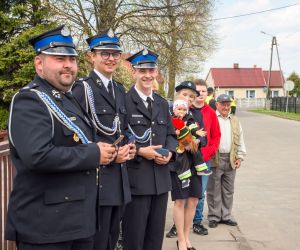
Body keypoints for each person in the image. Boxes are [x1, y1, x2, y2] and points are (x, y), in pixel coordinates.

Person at [5, 25, 117, 250]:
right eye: (59, 58)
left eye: (72, 59)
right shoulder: (30, 100)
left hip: (80, 222)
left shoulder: (68, 99)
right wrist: (94, 153)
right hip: (47, 228)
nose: (68, 65)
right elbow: (37, 155)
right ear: (39, 63)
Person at [72, 29, 136, 250]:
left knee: (111, 239)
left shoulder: (119, 89)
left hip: (118, 180)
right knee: (96, 242)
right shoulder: (82, 88)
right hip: (97, 181)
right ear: (92, 56)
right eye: (104, 53)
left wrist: (129, 147)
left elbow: (124, 128)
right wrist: (109, 154)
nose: (111, 58)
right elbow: (75, 133)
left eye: (115, 54)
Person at [122, 49, 177, 250]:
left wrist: (170, 153)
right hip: (136, 183)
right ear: (134, 72)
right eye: (142, 70)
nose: (147, 75)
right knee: (134, 239)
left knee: (155, 240)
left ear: (156, 72)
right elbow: (118, 137)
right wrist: (139, 151)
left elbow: (171, 135)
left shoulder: (162, 103)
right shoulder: (124, 101)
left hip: (161, 183)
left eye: (151, 70)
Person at [207, 94, 246, 228]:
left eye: (228, 104)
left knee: (229, 190)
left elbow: (240, 140)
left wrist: (240, 157)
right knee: (214, 189)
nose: (226, 107)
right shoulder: (212, 118)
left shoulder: (235, 120)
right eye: (223, 104)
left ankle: (226, 215)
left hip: (231, 158)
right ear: (217, 104)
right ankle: (214, 217)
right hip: (215, 159)